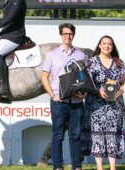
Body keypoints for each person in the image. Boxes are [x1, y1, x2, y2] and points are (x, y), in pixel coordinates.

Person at [42, 23, 87, 170]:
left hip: (77, 101)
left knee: (76, 135)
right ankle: (57, 166)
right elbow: (44, 77)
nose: (68, 36)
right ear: (61, 35)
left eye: (70, 33)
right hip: (59, 102)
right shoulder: (52, 55)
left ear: (73, 35)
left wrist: (84, 92)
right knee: (58, 135)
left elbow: (85, 77)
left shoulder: (81, 55)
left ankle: (77, 166)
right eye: (65, 34)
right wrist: (52, 95)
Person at [81, 35, 125, 170]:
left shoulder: (119, 62)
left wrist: (122, 89)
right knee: (98, 135)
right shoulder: (92, 62)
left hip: (115, 105)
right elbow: (87, 82)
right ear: (99, 46)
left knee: (113, 134)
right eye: (104, 44)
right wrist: (97, 90)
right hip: (96, 105)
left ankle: (113, 167)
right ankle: (100, 167)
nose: (107, 46)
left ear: (112, 47)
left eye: (110, 44)